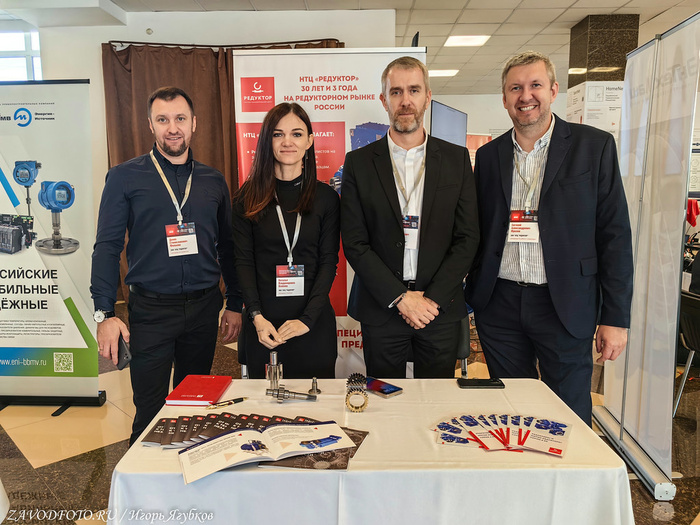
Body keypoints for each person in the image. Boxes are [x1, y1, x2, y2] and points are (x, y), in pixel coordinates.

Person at [464, 51, 633, 425]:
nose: (526, 96)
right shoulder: (489, 156)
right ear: (505, 98)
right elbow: (479, 228)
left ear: (554, 90)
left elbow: (615, 236)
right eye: (515, 88)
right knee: (511, 408)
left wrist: (615, 318)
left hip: (565, 303)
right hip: (499, 303)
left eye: (535, 85)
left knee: (568, 412)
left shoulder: (594, 147)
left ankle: (570, 467)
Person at [90, 86, 242, 445]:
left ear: (194, 123)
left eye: (180, 119)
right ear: (150, 125)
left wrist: (235, 302)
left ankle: (189, 470)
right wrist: (104, 313)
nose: (172, 128)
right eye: (162, 119)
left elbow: (228, 246)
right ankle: (145, 479)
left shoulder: (213, 180)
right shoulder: (124, 177)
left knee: (194, 406)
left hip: (204, 309)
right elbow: (107, 247)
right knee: (149, 411)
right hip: (152, 311)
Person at [341, 56, 480, 379]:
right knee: (384, 397)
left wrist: (431, 299)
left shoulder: (456, 159)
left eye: (414, 90)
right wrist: (400, 298)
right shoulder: (359, 163)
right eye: (396, 92)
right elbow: (355, 242)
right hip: (382, 306)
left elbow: (468, 237)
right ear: (384, 100)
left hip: (438, 308)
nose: (406, 101)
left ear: (427, 97)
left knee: (436, 400)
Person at [232, 102, 340, 379]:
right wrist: (256, 317)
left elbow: (329, 262)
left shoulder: (326, 198)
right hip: (263, 326)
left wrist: (307, 320)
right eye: (278, 134)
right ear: (267, 141)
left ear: (309, 141)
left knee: (317, 404)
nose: (287, 142)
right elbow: (243, 263)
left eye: (296, 134)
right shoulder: (247, 198)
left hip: (312, 324)